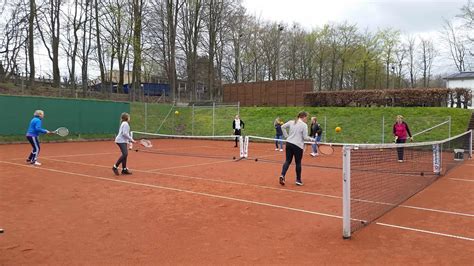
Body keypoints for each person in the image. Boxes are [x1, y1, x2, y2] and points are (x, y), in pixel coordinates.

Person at [279, 111, 315, 186]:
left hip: (289, 143)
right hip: (298, 146)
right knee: (298, 163)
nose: (306, 119)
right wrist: (312, 139)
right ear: (303, 117)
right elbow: (305, 137)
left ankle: (282, 175)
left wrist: (287, 136)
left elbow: (282, 127)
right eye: (306, 118)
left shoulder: (291, 122)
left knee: (287, 161)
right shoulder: (304, 125)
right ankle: (298, 180)